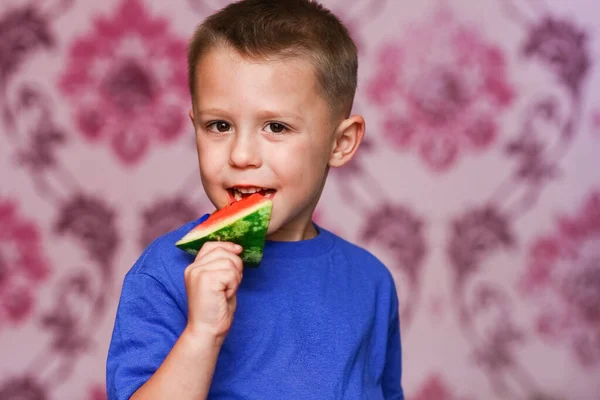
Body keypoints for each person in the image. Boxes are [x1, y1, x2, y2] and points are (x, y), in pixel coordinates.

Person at [106, 0, 404, 398]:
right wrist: (202, 334)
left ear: (341, 142)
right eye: (220, 125)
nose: (241, 156)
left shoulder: (371, 281)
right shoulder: (167, 271)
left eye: (275, 127)